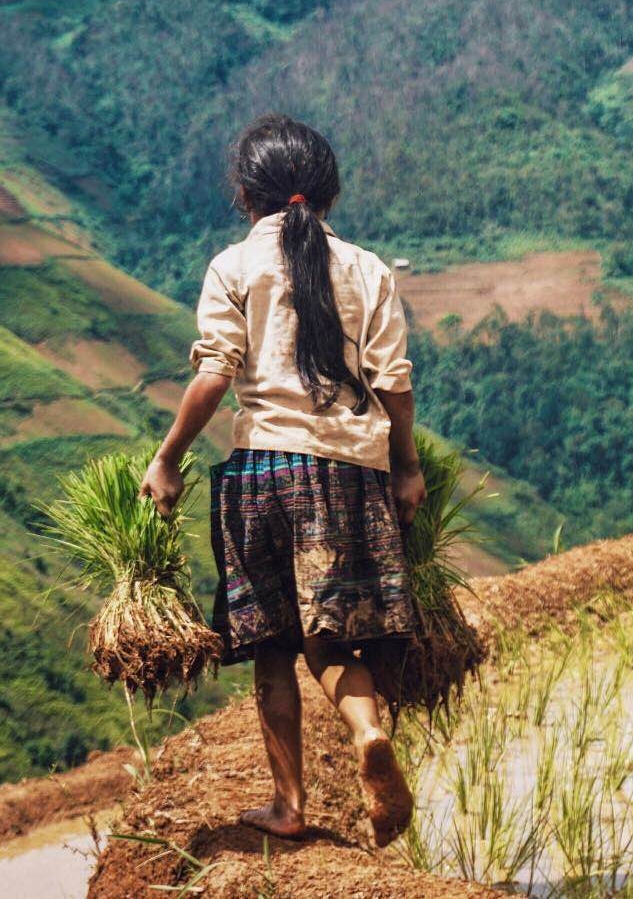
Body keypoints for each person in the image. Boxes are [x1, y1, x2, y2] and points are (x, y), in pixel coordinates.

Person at [140, 114, 423, 848]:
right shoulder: (368, 269)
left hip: (264, 473)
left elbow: (214, 375)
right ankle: (365, 731)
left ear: (245, 193)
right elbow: (394, 383)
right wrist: (408, 468)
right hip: (351, 476)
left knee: (274, 647)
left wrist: (168, 458)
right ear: (327, 191)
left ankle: (289, 805)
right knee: (333, 641)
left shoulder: (234, 267)